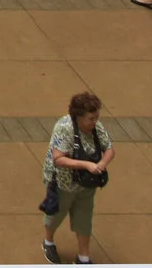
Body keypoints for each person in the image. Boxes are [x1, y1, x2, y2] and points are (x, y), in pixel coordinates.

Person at [42, 90, 114, 265]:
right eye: (91, 119)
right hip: (62, 181)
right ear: (79, 117)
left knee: (84, 216)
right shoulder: (64, 128)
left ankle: (83, 257)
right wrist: (87, 165)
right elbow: (58, 159)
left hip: (86, 182)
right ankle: (48, 242)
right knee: (57, 214)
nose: (95, 122)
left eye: (96, 117)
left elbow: (109, 149)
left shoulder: (96, 127)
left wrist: (102, 164)